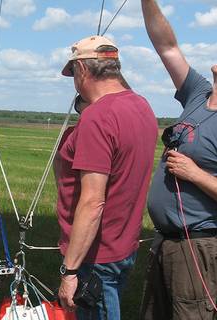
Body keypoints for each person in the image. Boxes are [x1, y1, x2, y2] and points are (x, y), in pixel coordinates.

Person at [140, 1, 217, 319]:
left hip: (195, 246)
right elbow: (166, 46)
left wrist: (195, 174)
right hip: (165, 240)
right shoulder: (198, 93)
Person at [56, 35, 158, 320]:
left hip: (96, 255)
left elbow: (92, 202)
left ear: (82, 71)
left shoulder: (97, 117)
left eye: (73, 74)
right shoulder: (142, 106)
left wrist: (70, 270)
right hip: (123, 245)